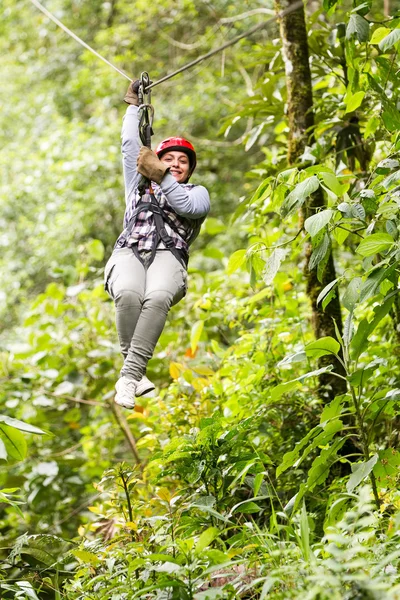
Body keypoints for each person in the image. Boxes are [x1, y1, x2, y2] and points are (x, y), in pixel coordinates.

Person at [104, 80, 210, 409]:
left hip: (169, 255)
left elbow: (187, 209)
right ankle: (135, 376)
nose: (176, 163)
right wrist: (134, 107)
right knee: (128, 293)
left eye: (182, 161)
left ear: (189, 170)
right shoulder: (137, 183)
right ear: (155, 160)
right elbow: (128, 144)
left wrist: (162, 175)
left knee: (158, 296)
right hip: (130, 250)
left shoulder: (197, 194)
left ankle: (129, 375)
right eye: (169, 158)